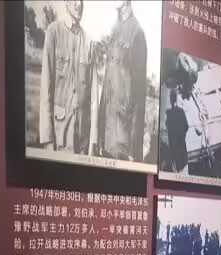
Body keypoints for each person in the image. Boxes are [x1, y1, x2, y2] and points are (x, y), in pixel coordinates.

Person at [38, 0, 94, 154]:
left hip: (82, 142)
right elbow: (45, 88)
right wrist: (47, 139)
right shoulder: (53, 32)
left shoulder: (89, 43)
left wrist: (92, 142)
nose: (79, 4)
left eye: (82, 0)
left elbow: (92, 99)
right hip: (59, 138)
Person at [97, 0, 148, 162]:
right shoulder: (115, 29)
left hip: (123, 140)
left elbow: (139, 96)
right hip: (108, 132)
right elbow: (107, 82)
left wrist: (133, 147)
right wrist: (100, 131)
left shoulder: (137, 33)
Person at [163, 88, 189, 172]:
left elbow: (167, 126)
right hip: (182, 148)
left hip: (173, 149)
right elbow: (186, 126)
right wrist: (181, 136)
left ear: (170, 100)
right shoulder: (181, 111)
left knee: (175, 169)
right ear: (176, 99)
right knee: (183, 169)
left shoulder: (169, 113)